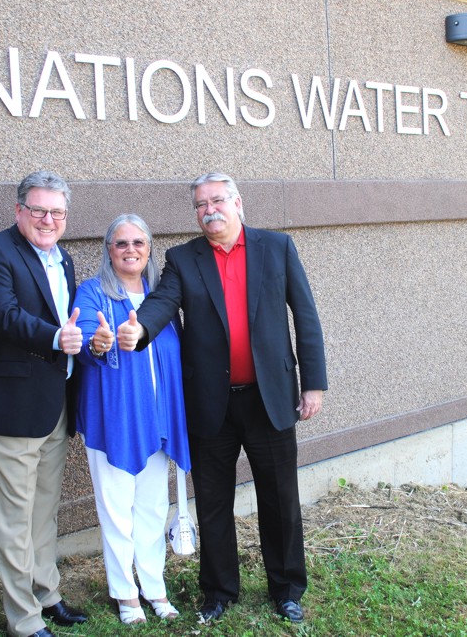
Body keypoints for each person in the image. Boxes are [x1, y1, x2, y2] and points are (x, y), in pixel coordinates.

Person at [116, 172, 328, 624]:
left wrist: (314, 383)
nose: (208, 210)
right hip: (212, 403)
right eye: (200, 204)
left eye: (216, 201)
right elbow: (161, 302)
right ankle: (218, 592)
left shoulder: (276, 247)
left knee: (280, 500)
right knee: (213, 503)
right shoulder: (183, 259)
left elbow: (305, 316)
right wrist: (139, 329)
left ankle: (287, 589)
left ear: (236, 202)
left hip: (270, 399)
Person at [0, 171, 88, 637]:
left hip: (52, 404)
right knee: (13, 518)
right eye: (38, 210)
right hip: (8, 408)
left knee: (42, 510)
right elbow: (1, 315)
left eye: (56, 212)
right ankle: (23, 619)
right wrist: (57, 336)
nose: (47, 219)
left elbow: (68, 319)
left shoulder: (65, 259)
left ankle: (47, 594)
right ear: (19, 211)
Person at [72, 214, 190, 625]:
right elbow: (87, 339)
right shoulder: (92, 293)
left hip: (158, 421)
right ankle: (126, 595)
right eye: (121, 243)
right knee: (117, 509)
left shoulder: (161, 299)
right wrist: (99, 343)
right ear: (109, 250)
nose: (131, 250)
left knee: (154, 509)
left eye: (139, 242)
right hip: (116, 421)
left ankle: (154, 588)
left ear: (149, 249)